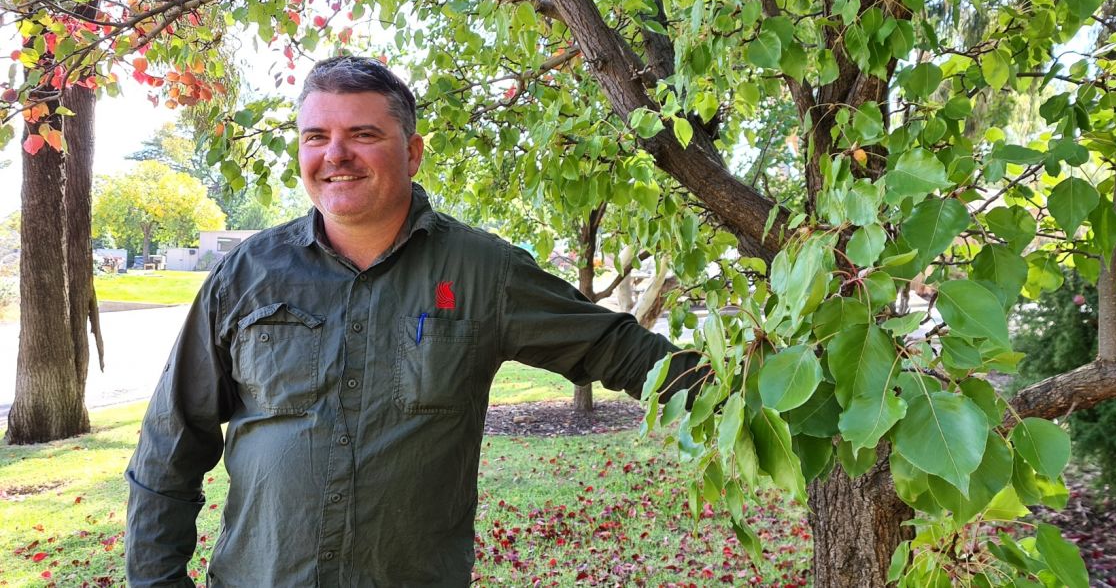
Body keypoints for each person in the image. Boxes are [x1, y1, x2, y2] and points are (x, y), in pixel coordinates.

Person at [124, 56, 699, 587]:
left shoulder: (483, 272)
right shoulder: (247, 275)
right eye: (316, 137)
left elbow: (620, 350)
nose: (336, 154)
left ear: (413, 152)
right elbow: (170, 445)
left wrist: (745, 389)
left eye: (363, 134)